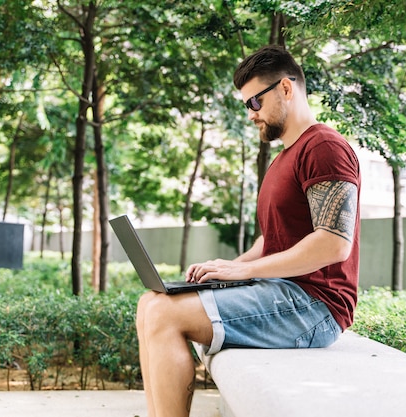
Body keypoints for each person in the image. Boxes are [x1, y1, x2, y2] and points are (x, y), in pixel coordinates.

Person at [135, 45, 361, 417]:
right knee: (150, 304)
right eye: (246, 105)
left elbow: (334, 242)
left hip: (315, 306)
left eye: (254, 103)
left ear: (286, 89)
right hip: (284, 293)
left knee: (164, 315)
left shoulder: (323, 147)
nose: (250, 114)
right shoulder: (285, 156)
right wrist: (225, 268)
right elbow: (273, 240)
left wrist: (244, 273)